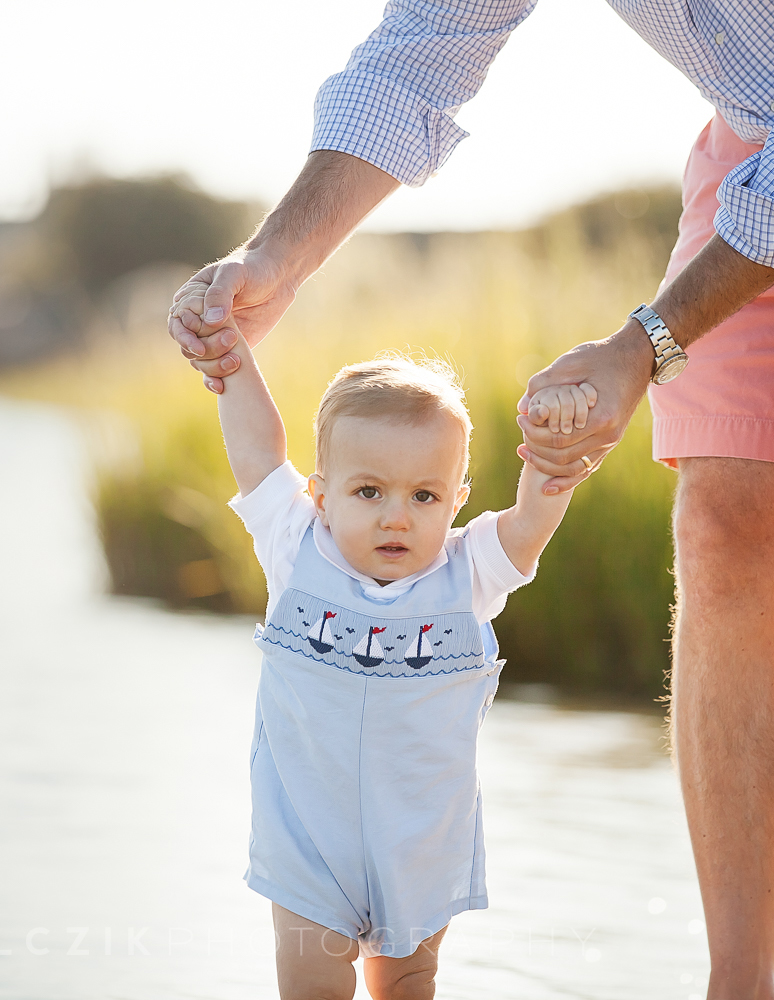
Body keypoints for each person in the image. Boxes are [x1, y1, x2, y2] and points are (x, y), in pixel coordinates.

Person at [168, 3, 774, 996]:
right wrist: (275, 254)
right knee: (723, 525)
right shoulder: (311, 537)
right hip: (762, 135)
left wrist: (639, 349)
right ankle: (738, 981)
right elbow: (417, 57)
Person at [208, 316, 595, 1000]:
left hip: (418, 841)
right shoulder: (295, 545)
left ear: (457, 500)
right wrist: (230, 356)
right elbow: (258, 450)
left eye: (425, 496)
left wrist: (552, 452)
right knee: (311, 988)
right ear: (322, 495)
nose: (398, 517)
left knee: (410, 982)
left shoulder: (467, 573)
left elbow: (530, 522)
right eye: (369, 492)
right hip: (307, 835)